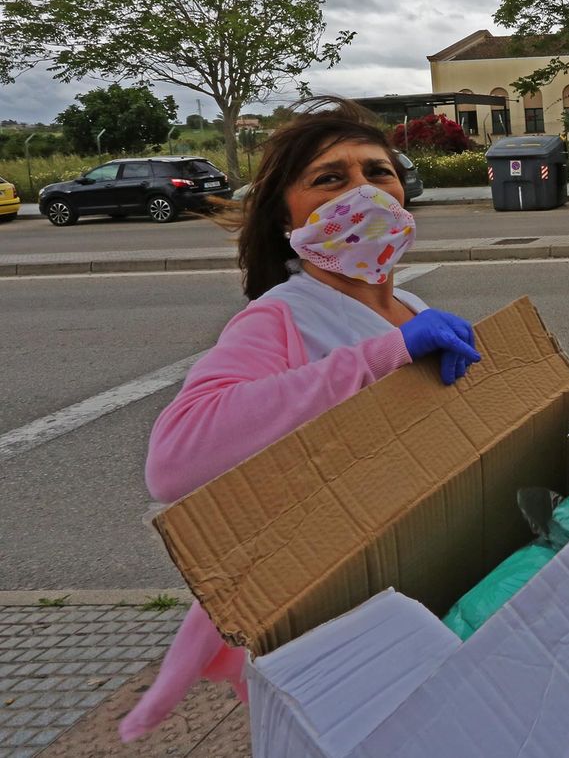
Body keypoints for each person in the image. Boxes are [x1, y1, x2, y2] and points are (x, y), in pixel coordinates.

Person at [118, 98, 482, 742]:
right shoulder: (282, 316)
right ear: (286, 213)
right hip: (334, 626)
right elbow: (174, 460)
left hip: (430, 590)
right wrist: (379, 358)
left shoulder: (413, 306)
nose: (365, 191)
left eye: (380, 171)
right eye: (330, 178)